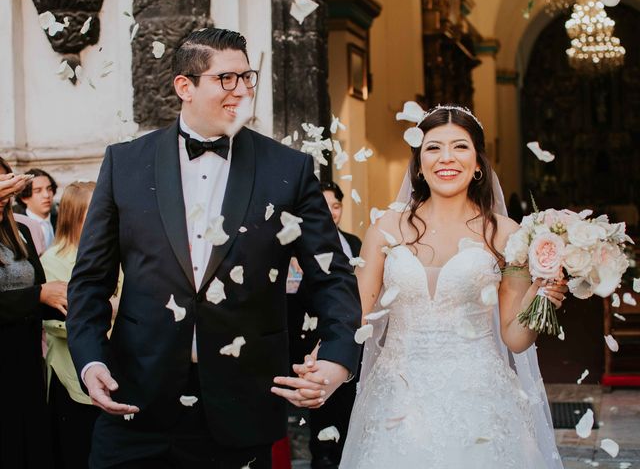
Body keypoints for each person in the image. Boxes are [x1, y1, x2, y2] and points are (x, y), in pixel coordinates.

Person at [66, 28, 361, 469]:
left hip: (242, 409)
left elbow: (333, 278)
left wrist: (338, 361)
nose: (242, 90)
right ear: (184, 86)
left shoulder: (289, 170)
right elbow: (90, 281)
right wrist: (90, 362)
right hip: (135, 404)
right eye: (227, 79)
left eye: (248, 77)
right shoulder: (124, 164)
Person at [299, 105, 568, 468]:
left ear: (478, 164)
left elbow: (515, 339)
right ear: (419, 163)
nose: (446, 158)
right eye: (433, 147)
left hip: (480, 401)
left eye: (460, 147)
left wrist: (540, 295)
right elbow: (356, 312)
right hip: (397, 399)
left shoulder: (506, 234)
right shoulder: (387, 228)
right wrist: (323, 358)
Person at [287, 181, 361, 469]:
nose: (331, 213)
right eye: (324, 206)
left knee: (347, 411)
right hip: (310, 340)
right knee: (320, 418)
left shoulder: (355, 243)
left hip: (350, 341)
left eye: (336, 206)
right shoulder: (297, 247)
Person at [0, 156, 67, 469]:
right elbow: (37, 293)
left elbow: (41, 293)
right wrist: (39, 294)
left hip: (25, 360)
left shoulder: (21, 235)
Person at [40, 181, 101, 469]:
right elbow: (55, 321)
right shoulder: (52, 261)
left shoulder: (115, 252)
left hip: (119, 370)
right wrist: (106, 311)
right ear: (74, 215)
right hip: (71, 376)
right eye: (95, 211)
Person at [14, 168, 58, 249]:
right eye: (38, 191)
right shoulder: (17, 227)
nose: (46, 195)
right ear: (24, 198)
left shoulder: (62, 221)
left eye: (49, 189)